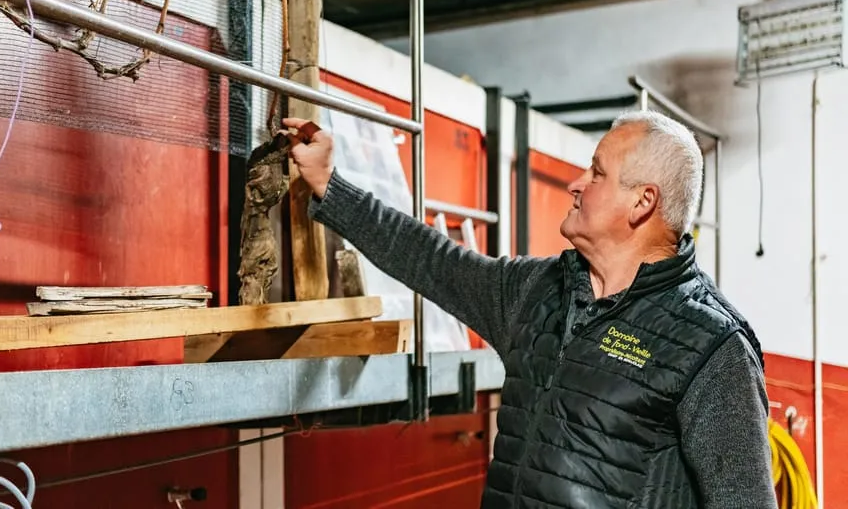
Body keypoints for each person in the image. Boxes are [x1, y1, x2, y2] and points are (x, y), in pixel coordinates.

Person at [282, 110, 776, 509]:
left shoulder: (712, 347)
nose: (576, 184)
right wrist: (329, 183)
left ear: (643, 202)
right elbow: (431, 259)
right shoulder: (535, 291)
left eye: (597, 173)